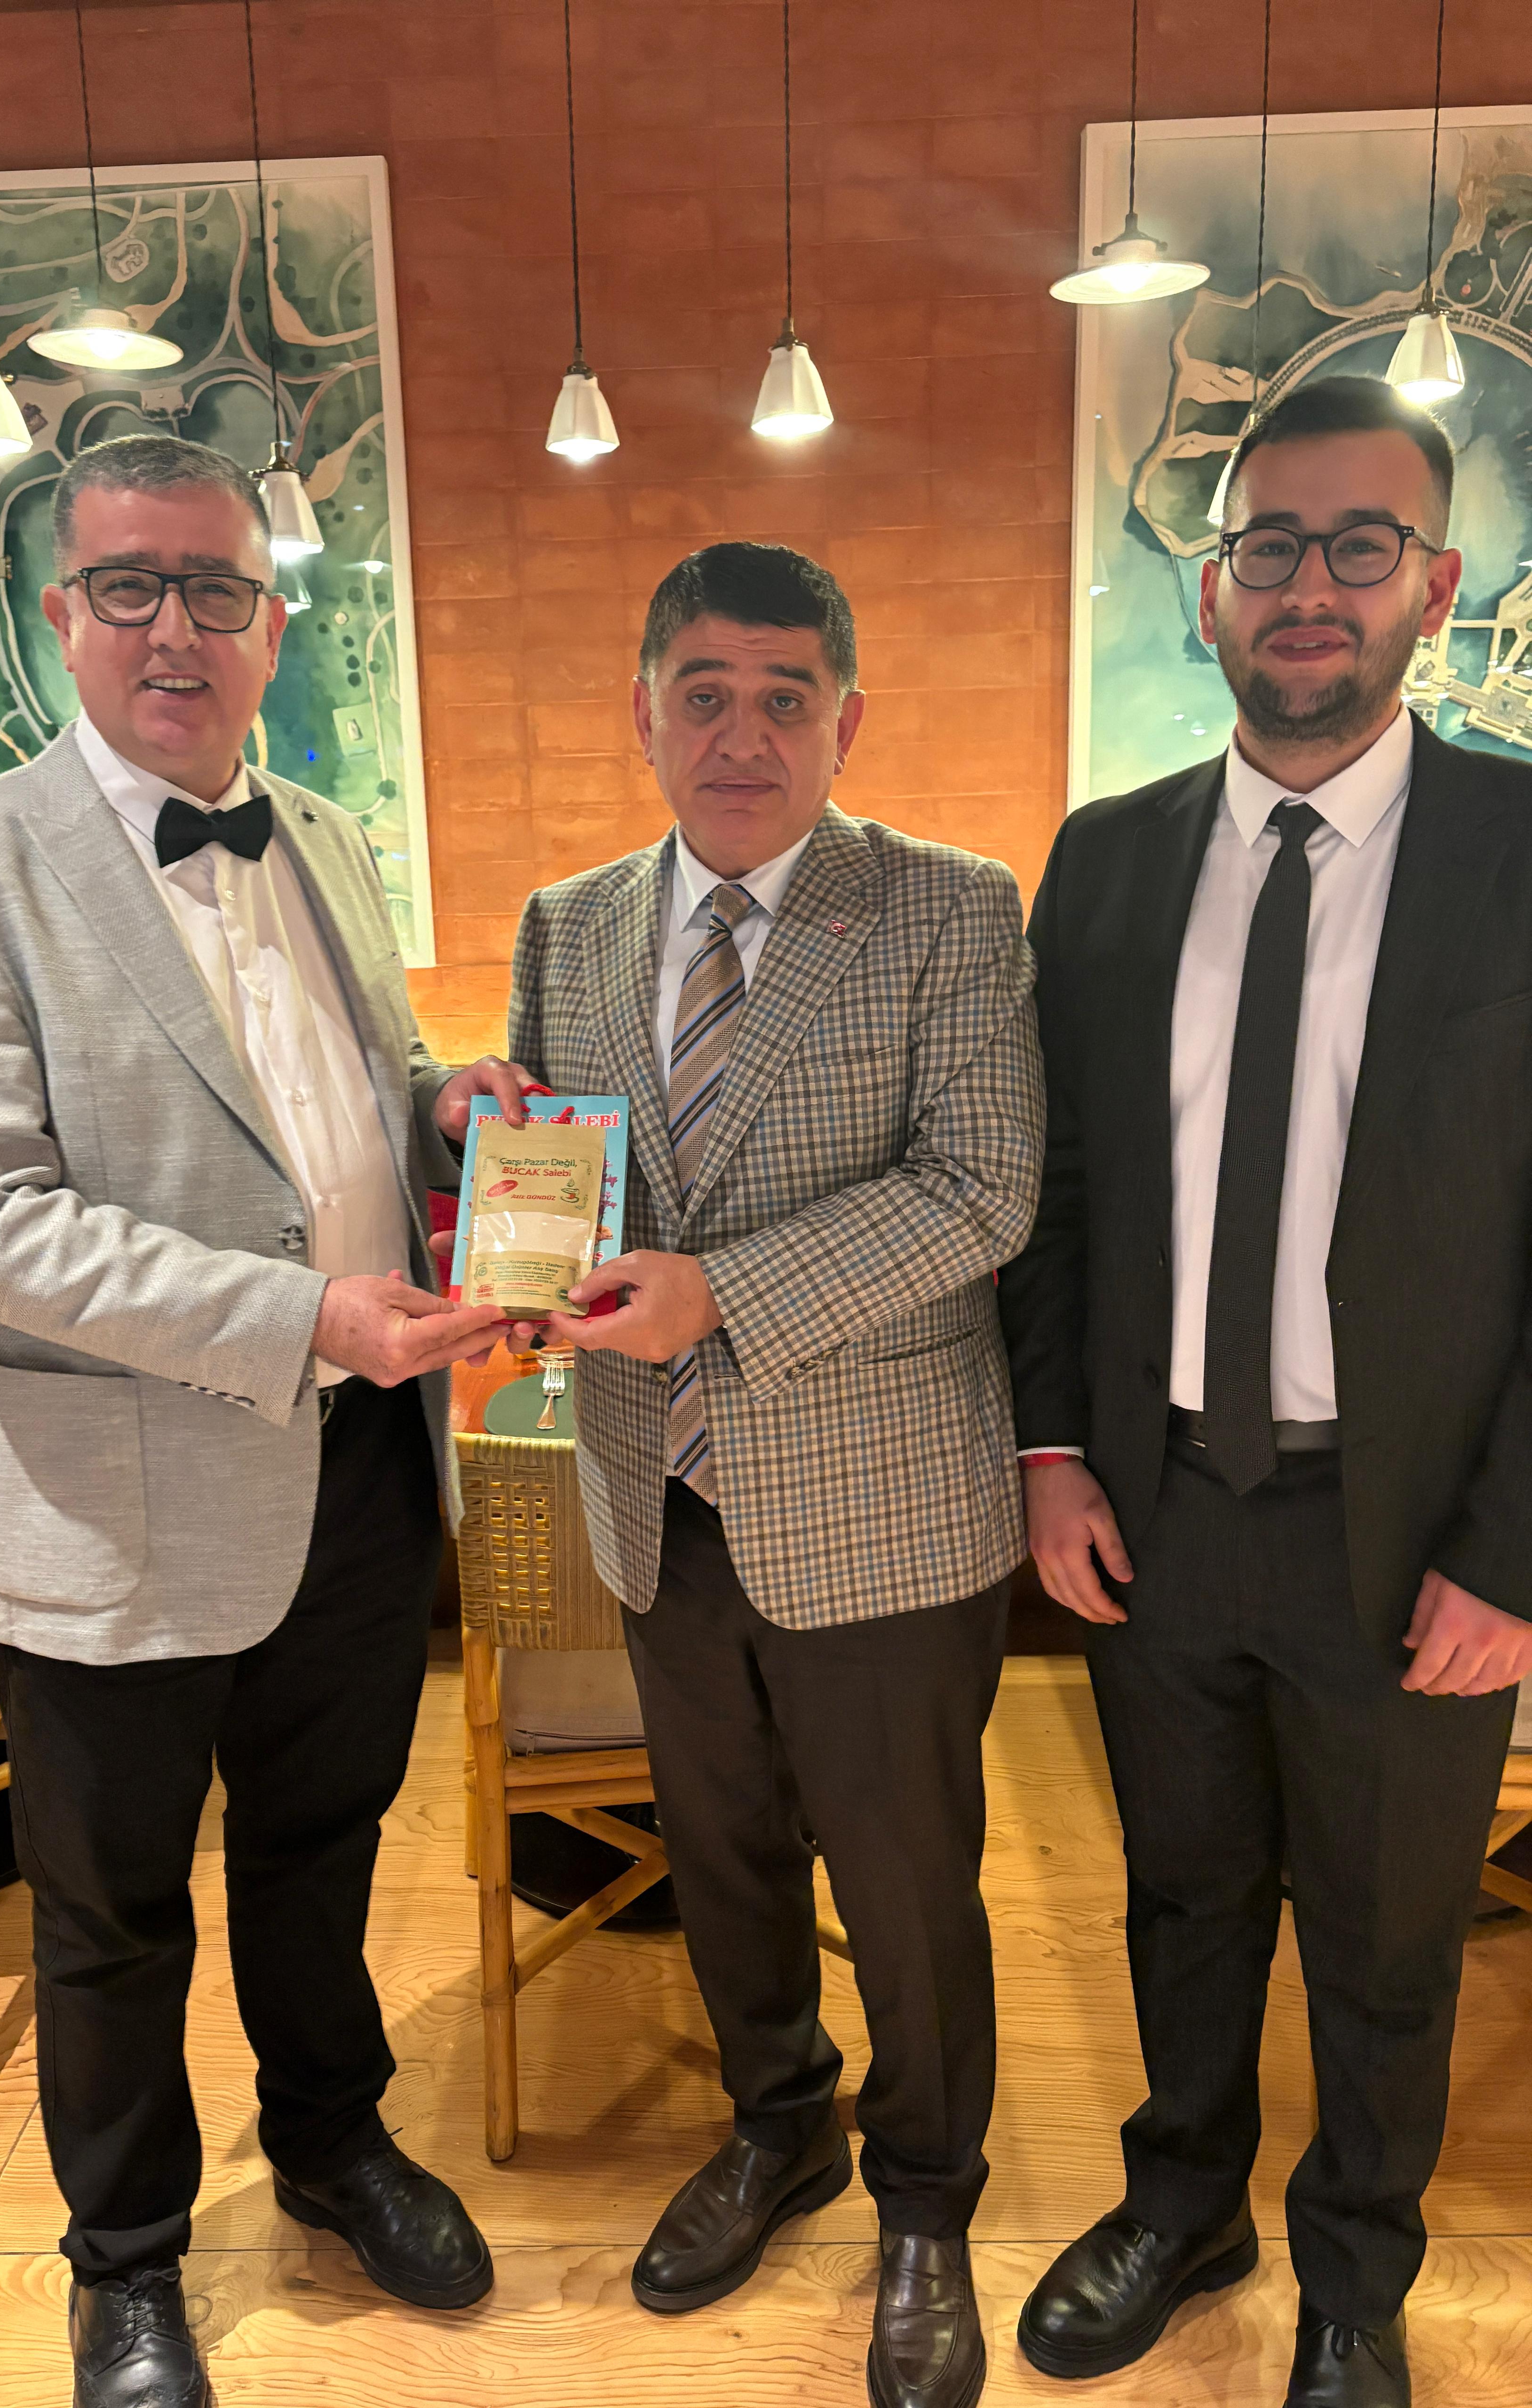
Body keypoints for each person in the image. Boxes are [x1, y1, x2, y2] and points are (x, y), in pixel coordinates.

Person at [0, 434, 526, 2408]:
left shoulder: (324, 833)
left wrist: (442, 1109)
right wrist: (306, 1313)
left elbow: (337, 1089)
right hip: (112, 1496)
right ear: (62, 617)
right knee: (113, 1908)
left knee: (324, 1849)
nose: (176, 627)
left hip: (360, 1468)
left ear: (272, 624)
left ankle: (331, 2140)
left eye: (216, 588)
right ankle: (127, 2256)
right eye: (131, 586)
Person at [997, 376, 1532, 2408]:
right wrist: (1054, 1447)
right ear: (1212, 588)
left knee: (1390, 1940)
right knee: (1184, 1893)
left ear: (1436, 585)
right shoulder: (1108, 860)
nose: (1312, 585)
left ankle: (1357, 2274)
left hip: (1419, 1533)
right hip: (1164, 1504)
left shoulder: (1523, 847)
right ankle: (1186, 2199)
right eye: (1270, 546)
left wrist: (1517, 1551)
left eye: (1359, 545)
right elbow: (1057, 1188)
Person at [505, 540, 1046, 2408]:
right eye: (706, 694)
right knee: (722, 1854)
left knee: (906, 1879)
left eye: (784, 698)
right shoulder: (568, 923)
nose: (742, 735)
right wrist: (512, 1238)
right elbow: (554, 1171)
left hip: (885, 1500)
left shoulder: (949, 907)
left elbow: (985, 1188)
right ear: (645, 712)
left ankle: (928, 2193)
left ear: (846, 721)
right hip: (658, 1495)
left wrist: (720, 1291)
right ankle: (778, 2120)